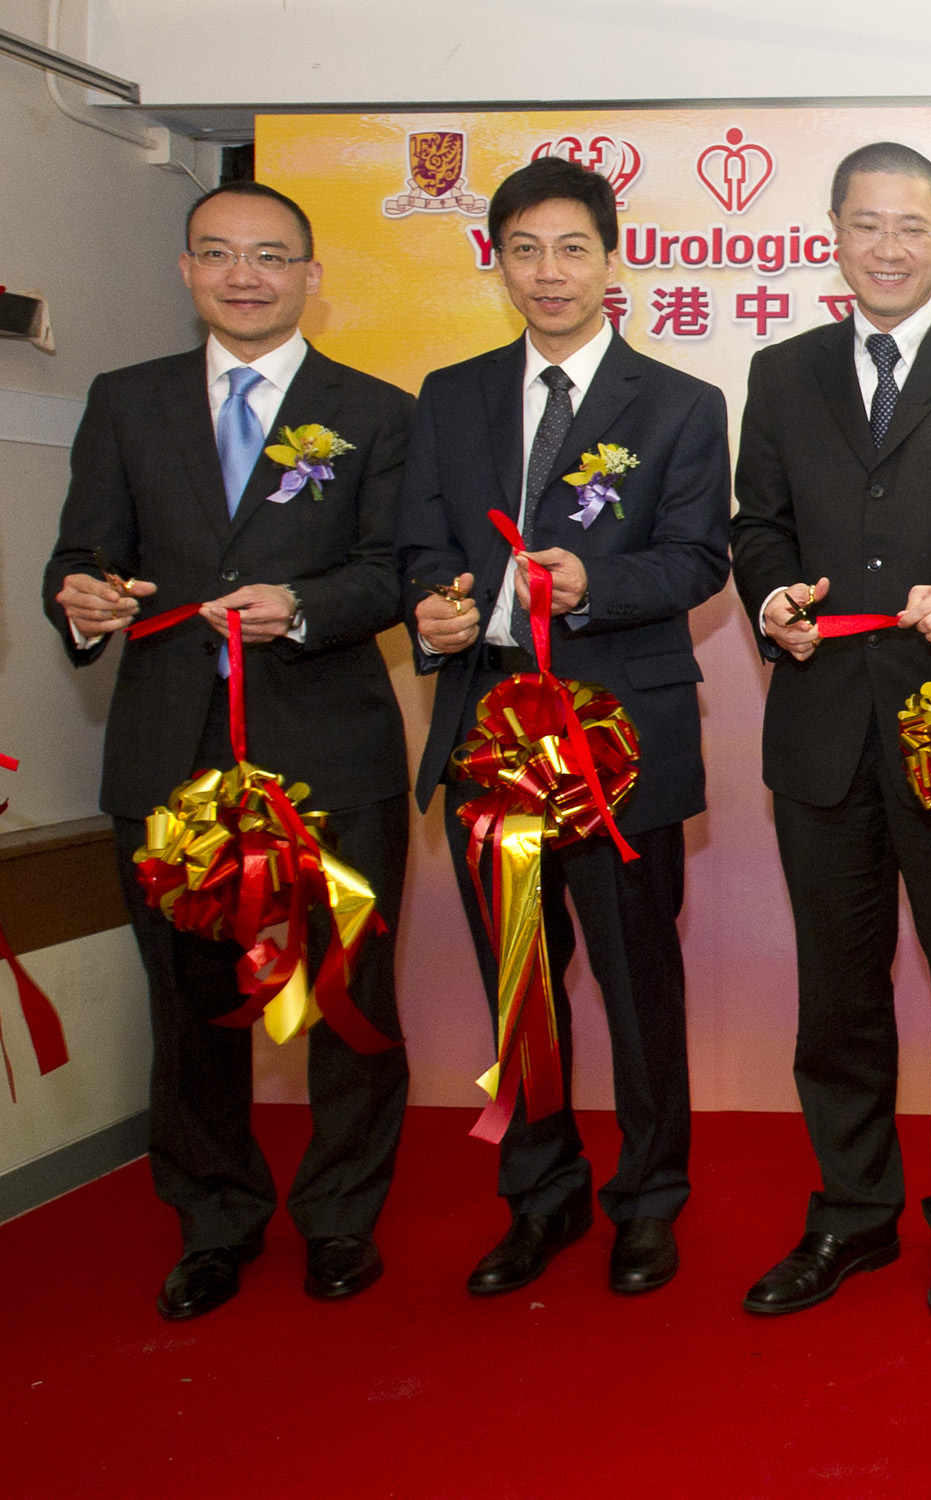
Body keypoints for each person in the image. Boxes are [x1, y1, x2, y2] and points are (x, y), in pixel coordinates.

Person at [44, 181, 415, 1319]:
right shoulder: (125, 401)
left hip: (328, 743)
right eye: (219, 254)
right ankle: (214, 1218)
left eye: (269, 256)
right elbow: (83, 551)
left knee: (349, 998)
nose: (243, 275)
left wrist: (301, 607)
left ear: (312, 276)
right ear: (187, 270)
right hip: (168, 748)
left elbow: (397, 568)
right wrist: (83, 600)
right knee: (188, 1004)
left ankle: (342, 1218)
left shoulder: (377, 409)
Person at [397, 157, 731, 1299]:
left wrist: (593, 581)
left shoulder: (683, 404)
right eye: (527, 250)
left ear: (612, 259)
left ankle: (649, 1201)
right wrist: (434, 606)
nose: (550, 272)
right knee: (521, 988)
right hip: (492, 733)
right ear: (498, 261)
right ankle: (540, 1198)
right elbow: (417, 545)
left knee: (641, 989)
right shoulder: (449, 396)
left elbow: (697, 559)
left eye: (572, 248)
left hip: (618, 742)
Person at [729, 142, 931, 1320]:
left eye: (911, 226)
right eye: (867, 225)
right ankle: (852, 1214)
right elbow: (754, 524)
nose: (889, 248)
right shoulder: (783, 370)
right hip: (819, 732)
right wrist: (769, 601)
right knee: (839, 994)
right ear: (832, 232)